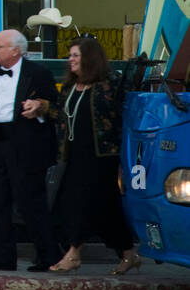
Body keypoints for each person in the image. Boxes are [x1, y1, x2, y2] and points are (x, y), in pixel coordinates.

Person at [49, 38, 140, 275]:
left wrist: (124, 158)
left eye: (76, 56)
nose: (71, 60)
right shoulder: (71, 87)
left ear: (89, 58)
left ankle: (73, 254)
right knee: (106, 207)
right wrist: (42, 107)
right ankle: (129, 253)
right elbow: (61, 115)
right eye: (70, 56)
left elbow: (124, 119)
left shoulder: (110, 84)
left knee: (83, 202)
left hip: (102, 155)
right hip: (75, 154)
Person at [0, 29, 60, 272]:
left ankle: (47, 256)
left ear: (15, 50)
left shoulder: (38, 73)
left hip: (27, 144)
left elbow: (55, 106)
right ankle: (0, 257)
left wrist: (39, 107)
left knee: (30, 201)